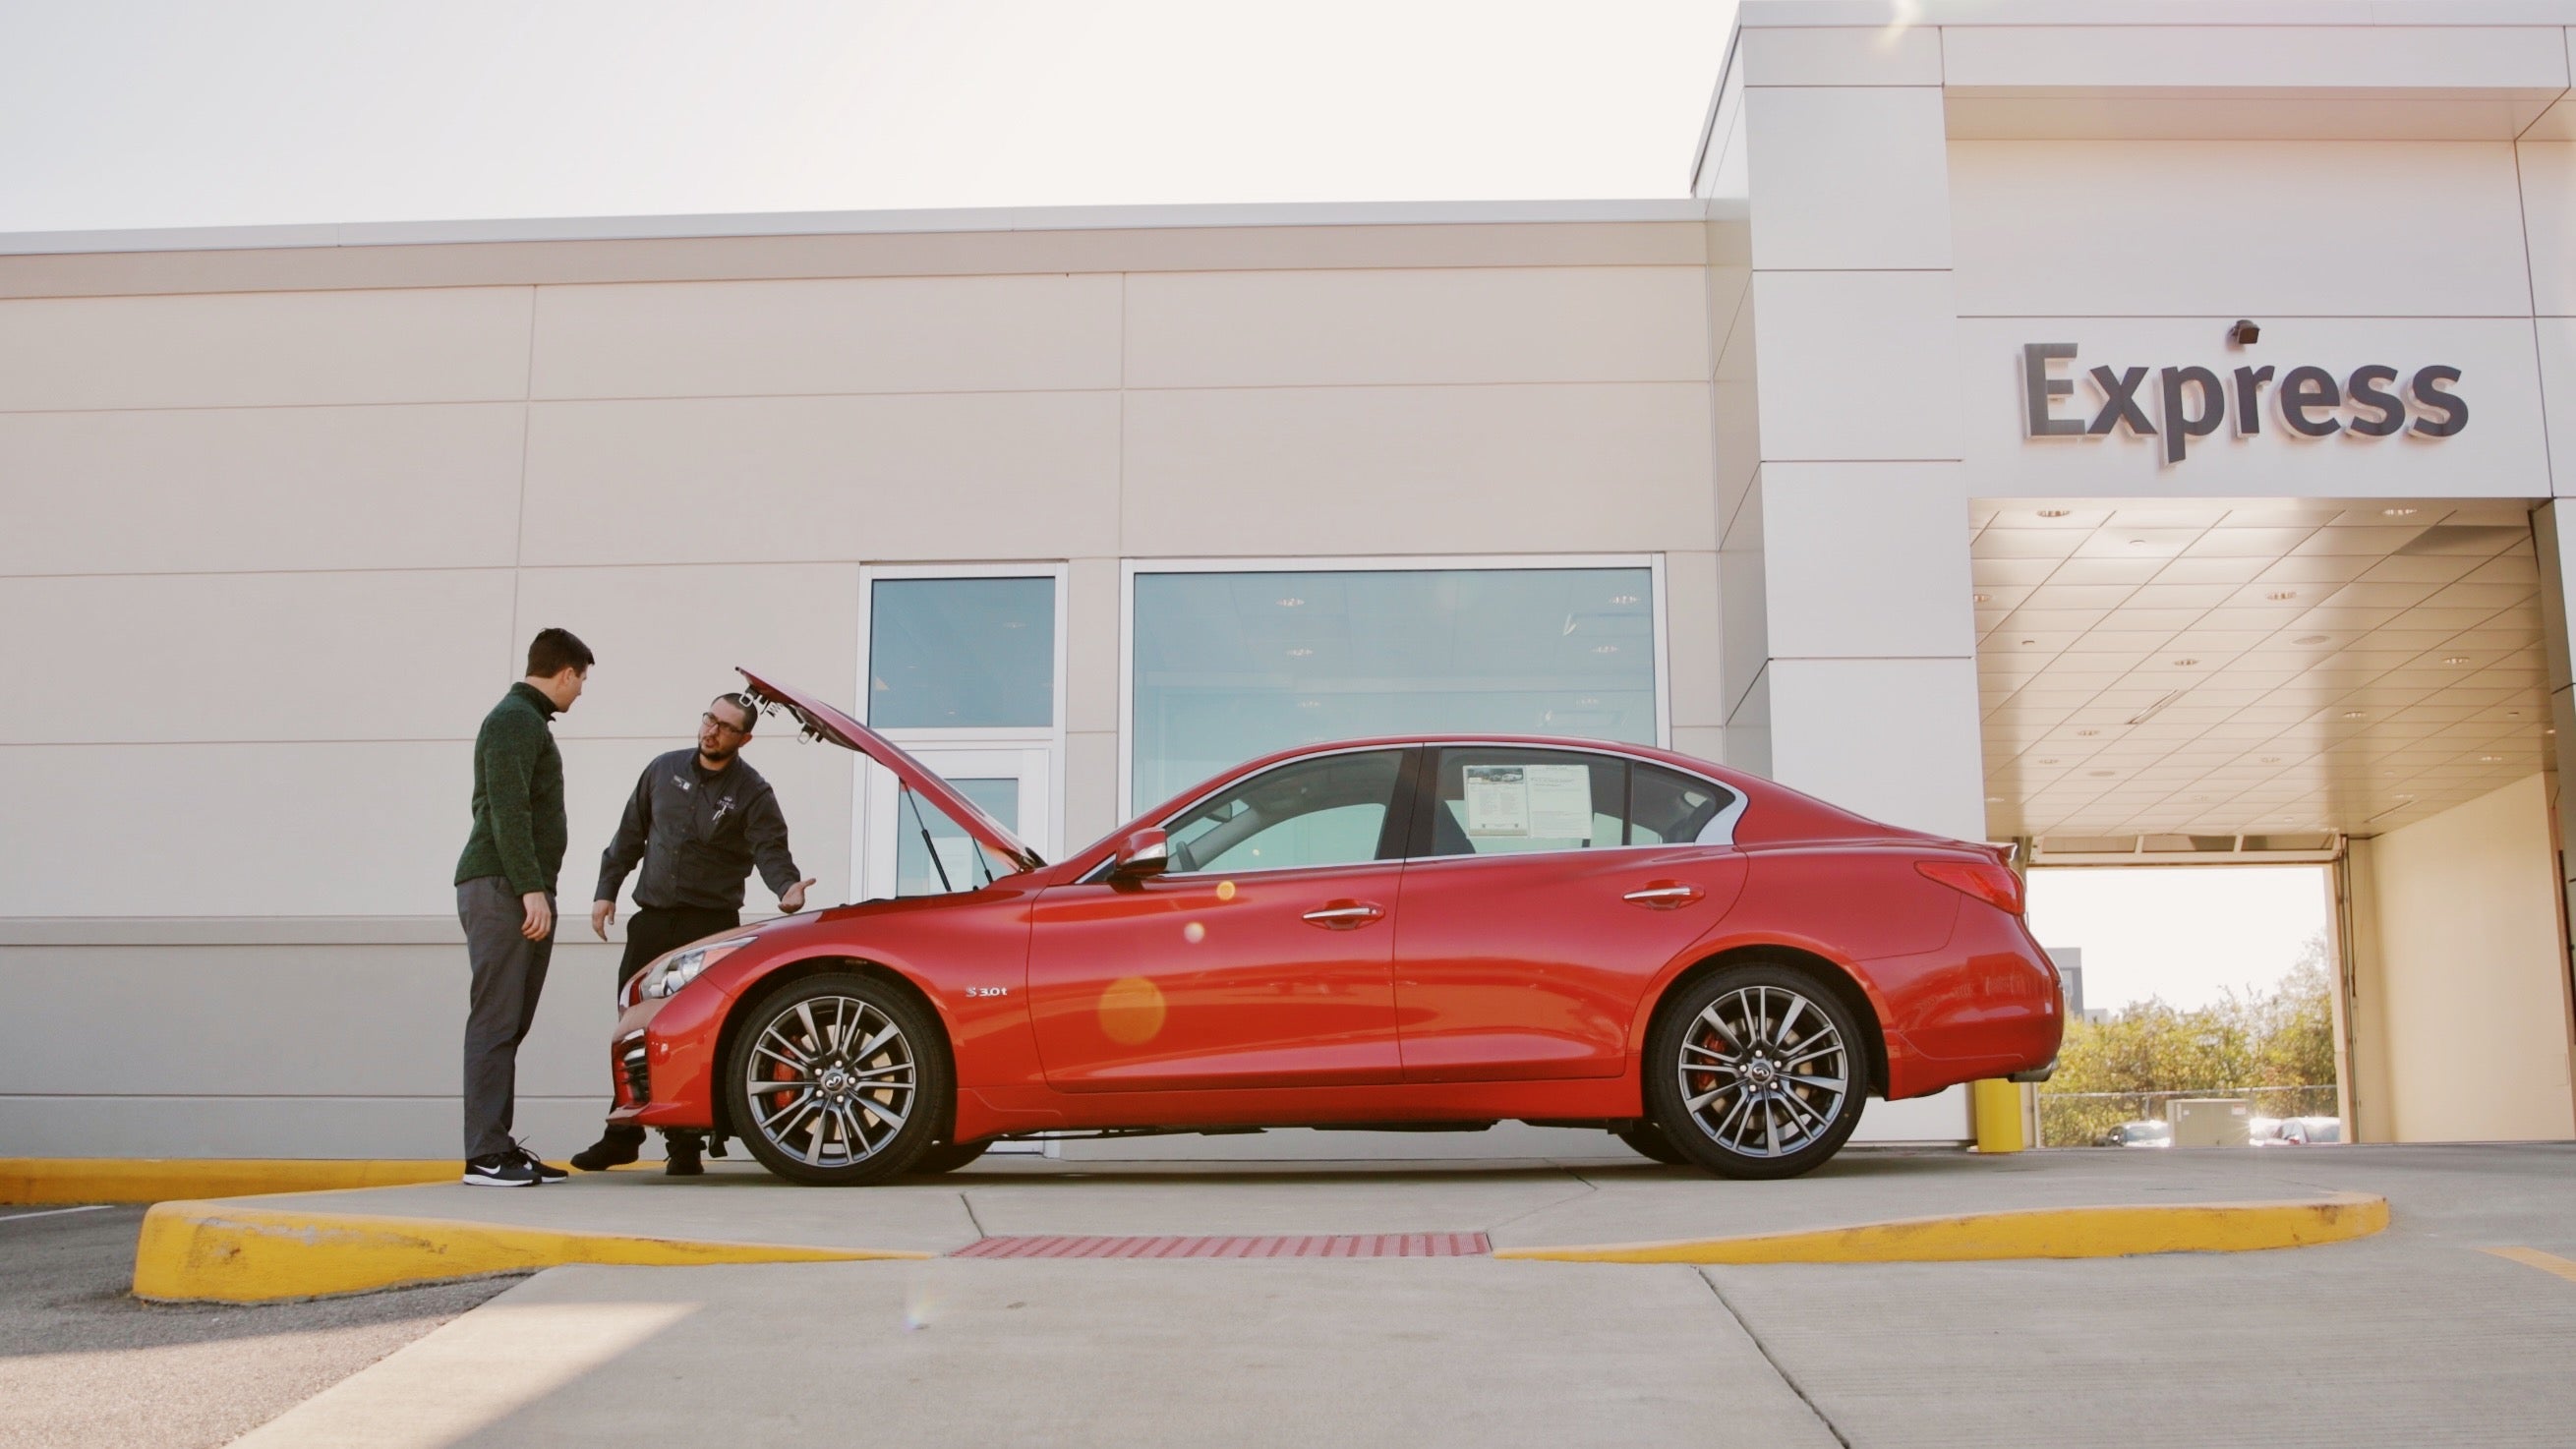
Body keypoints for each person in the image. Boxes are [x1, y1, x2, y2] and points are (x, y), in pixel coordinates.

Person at [571, 691, 816, 1176]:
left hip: (708, 930)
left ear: (744, 738)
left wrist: (787, 886)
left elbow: (770, 849)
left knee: (689, 1033)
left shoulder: (753, 792)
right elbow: (628, 838)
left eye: (725, 727)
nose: (711, 731)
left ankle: (684, 1147)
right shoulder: (662, 770)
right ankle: (622, 1135)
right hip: (654, 921)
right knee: (634, 1029)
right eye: (709, 719)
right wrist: (606, 892)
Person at [455, 627, 592, 1187]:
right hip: (503, 888)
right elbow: (508, 810)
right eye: (582, 680)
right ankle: (484, 1155)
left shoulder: (526, 720)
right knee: (495, 1020)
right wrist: (530, 888)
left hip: (518, 886)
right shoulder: (514, 719)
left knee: (510, 1022)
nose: (581, 692)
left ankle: (500, 1147)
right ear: (565, 673)